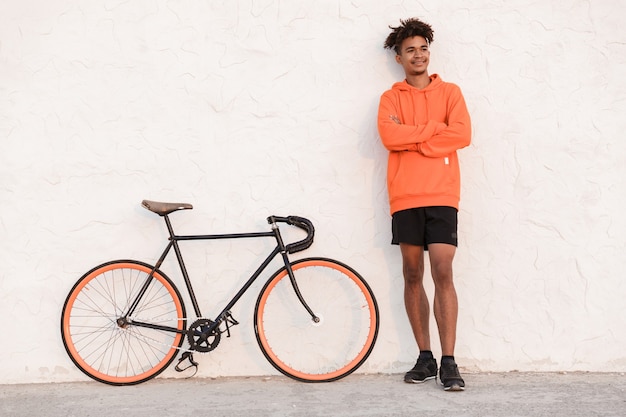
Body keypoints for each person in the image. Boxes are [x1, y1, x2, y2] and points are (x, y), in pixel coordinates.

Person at [377, 17, 471, 391]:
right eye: (410, 50)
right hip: (405, 196)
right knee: (412, 273)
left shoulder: (451, 93)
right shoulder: (390, 98)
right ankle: (425, 357)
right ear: (399, 57)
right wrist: (435, 130)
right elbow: (388, 135)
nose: (419, 55)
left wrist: (414, 137)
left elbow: (462, 134)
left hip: (443, 195)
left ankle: (449, 361)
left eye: (423, 48)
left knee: (443, 270)